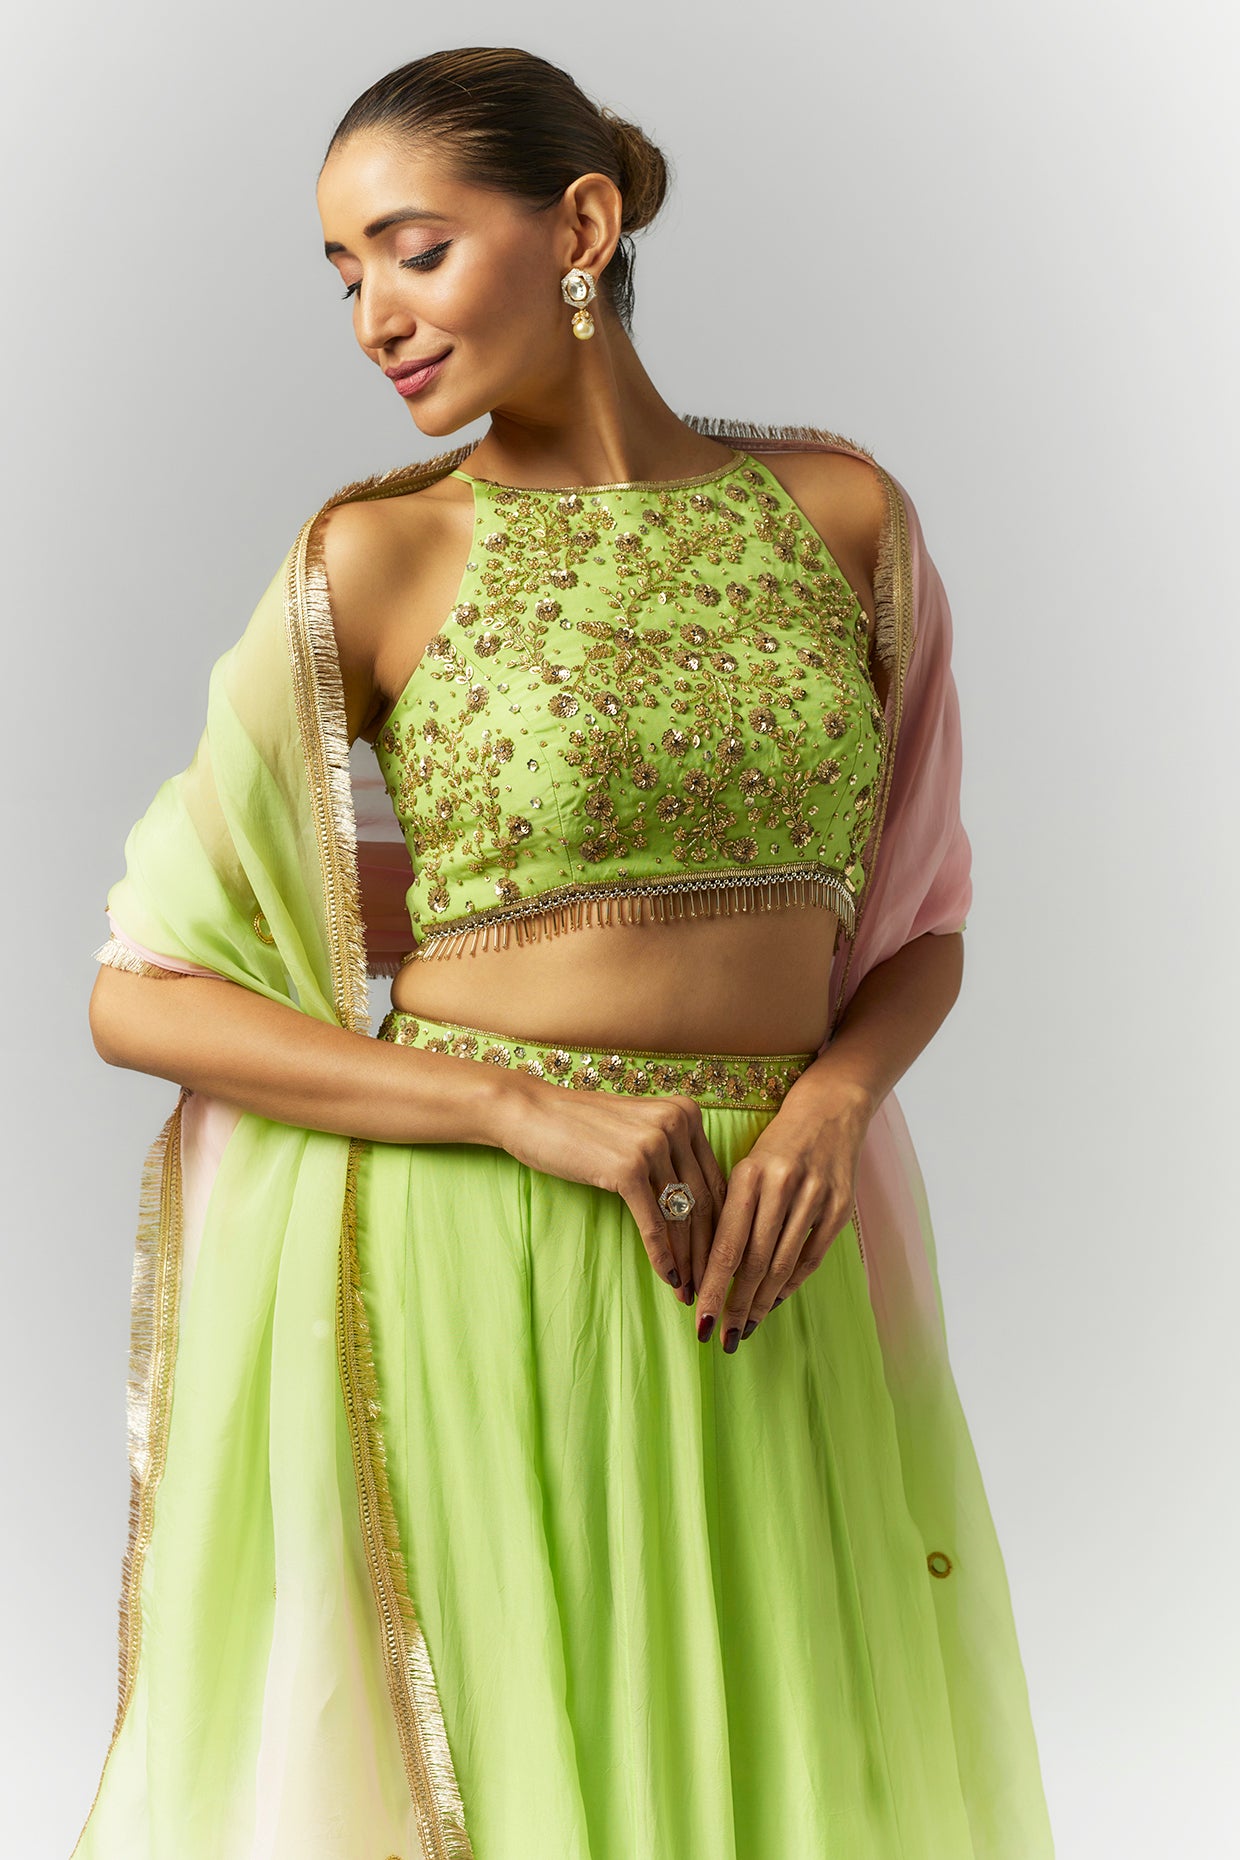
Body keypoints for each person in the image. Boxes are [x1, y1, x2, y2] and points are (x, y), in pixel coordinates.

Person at [71, 44, 1055, 1860]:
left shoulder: (846, 519)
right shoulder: (376, 558)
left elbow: (918, 920)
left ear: (582, 226)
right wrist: (522, 1110)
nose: (373, 316)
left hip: (764, 1241)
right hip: (488, 1243)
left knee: (775, 1766)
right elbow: (141, 992)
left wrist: (835, 1105)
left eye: (413, 251)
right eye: (343, 275)